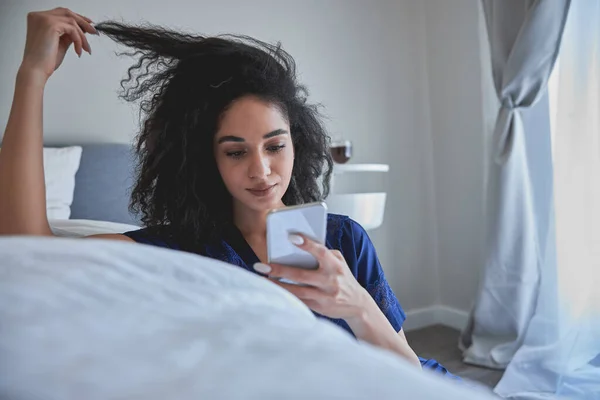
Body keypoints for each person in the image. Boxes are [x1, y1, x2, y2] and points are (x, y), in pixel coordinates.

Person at [0, 7, 456, 376]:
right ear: (207, 161)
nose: (262, 170)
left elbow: (409, 371)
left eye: (275, 145)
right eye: (236, 152)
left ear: (298, 141)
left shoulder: (343, 239)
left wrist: (355, 302)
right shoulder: (178, 251)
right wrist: (32, 75)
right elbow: (31, 254)